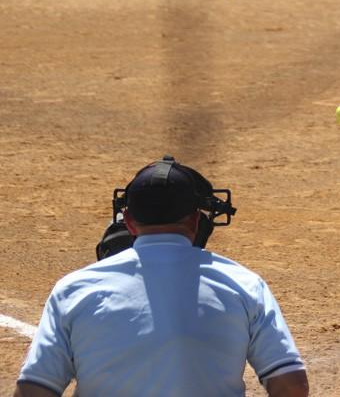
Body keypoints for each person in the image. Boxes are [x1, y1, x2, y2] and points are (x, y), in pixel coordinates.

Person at [15, 155, 309, 397]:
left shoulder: (73, 289)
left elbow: (35, 390)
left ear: (128, 222)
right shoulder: (243, 285)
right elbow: (291, 386)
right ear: (196, 222)